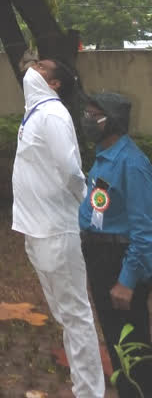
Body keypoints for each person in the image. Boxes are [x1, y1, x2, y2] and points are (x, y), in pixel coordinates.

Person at [12, 58, 105, 398]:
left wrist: (85, 207)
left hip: (56, 231)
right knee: (66, 315)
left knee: (76, 316)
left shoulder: (52, 114)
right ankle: (84, 386)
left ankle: (90, 392)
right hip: (38, 230)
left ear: (54, 84)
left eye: (39, 66)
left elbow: (71, 170)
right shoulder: (36, 113)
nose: (30, 67)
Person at [79, 92, 152, 397]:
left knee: (130, 343)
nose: (88, 121)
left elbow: (144, 230)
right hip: (100, 255)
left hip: (119, 259)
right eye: (87, 114)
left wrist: (127, 280)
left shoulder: (132, 164)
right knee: (113, 337)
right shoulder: (104, 155)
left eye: (95, 116)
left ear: (114, 121)